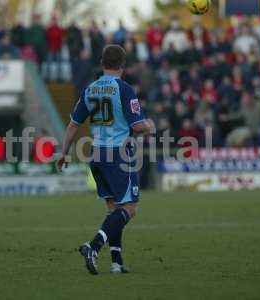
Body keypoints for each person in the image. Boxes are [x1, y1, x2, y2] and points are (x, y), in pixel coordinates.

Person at [56, 45, 154, 275]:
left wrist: (63, 152)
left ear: (102, 62)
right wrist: (150, 125)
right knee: (130, 208)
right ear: (123, 65)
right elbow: (137, 126)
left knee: (113, 210)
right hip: (118, 155)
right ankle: (94, 246)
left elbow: (73, 124)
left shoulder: (90, 89)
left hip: (97, 153)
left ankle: (116, 262)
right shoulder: (124, 89)